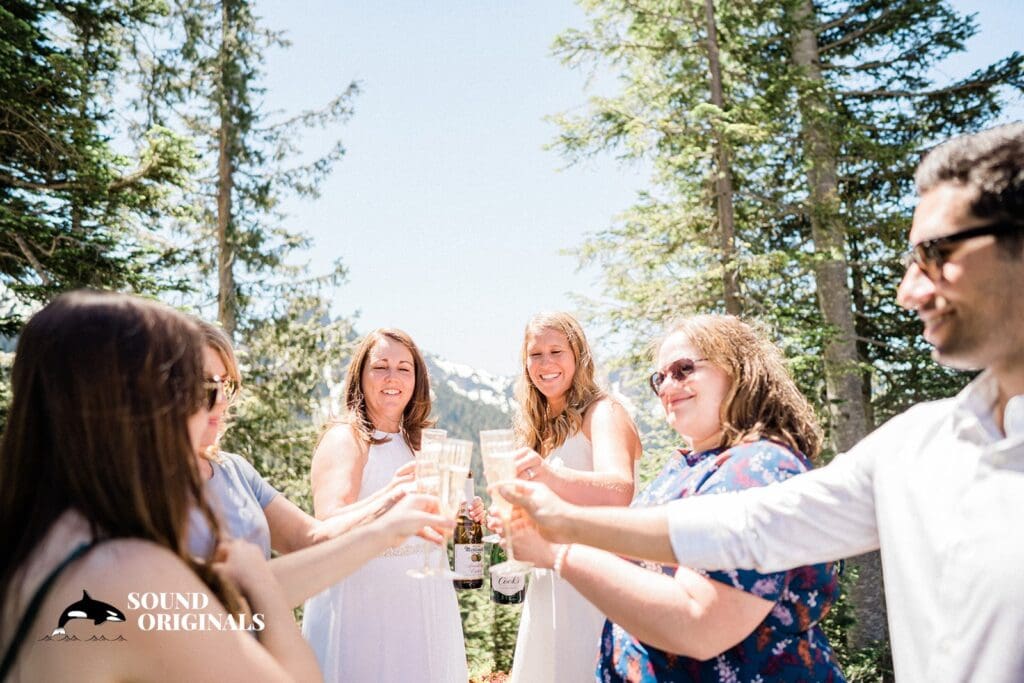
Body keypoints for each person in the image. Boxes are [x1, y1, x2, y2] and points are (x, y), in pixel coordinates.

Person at [499, 123, 1024, 682]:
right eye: (660, 377)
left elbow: (702, 618)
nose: (909, 291)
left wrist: (561, 543)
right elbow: (744, 528)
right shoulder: (916, 445)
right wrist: (561, 527)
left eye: (936, 252)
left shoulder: (761, 462)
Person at [0, 291, 320, 681]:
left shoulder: (39, 544)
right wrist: (259, 579)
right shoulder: (127, 570)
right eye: (193, 391)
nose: (210, 410)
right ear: (138, 410)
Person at [505, 314, 844, 681]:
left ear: (739, 370)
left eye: (684, 369)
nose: (668, 385)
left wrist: (558, 551)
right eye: (660, 378)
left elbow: (700, 627)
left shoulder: (759, 468)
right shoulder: (688, 468)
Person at [189, 320, 447, 608]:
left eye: (226, 384)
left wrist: (393, 501)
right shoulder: (139, 486)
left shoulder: (235, 471)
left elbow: (310, 539)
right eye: (208, 385)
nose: (223, 400)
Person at [302, 328, 470, 683]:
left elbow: (430, 523)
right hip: (365, 605)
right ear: (360, 377)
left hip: (424, 601)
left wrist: (462, 514)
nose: (392, 377)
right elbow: (328, 524)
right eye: (381, 367)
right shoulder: (347, 438)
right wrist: (390, 501)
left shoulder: (419, 442)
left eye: (403, 368)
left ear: (417, 379)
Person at [503, 312, 642, 683]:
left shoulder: (604, 412)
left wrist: (548, 474)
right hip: (548, 583)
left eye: (556, 352)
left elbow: (619, 491)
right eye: (535, 355)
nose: (545, 364)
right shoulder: (540, 426)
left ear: (578, 355)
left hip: (594, 584)